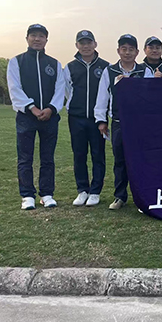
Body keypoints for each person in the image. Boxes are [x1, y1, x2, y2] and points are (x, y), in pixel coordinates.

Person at [6, 24, 65, 210]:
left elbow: (60, 89)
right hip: (26, 117)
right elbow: (14, 88)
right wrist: (32, 108)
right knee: (25, 158)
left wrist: (50, 109)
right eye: (33, 35)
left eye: (41, 36)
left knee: (47, 158)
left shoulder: (54, 64)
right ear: (27, 38)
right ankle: (27, 195)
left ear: (46, 40)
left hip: (49, 117)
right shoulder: (16, 62)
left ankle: (46, 194)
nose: (37, 39)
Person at [94, 34, 153, 210]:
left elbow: (150, 95)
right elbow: (102, 96)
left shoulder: (144, 71)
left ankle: (142, 197)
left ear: (137, 52)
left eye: (131, 49)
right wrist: (101, 120)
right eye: (124, 49)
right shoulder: (110, 71)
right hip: (119, 122)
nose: (127, 52)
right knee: (120, 160)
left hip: (139, 123)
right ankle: (120, 196)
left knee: (140, 160)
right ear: (118, 51)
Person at [63, 30, 109, 207]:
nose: (86, 46)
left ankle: (95, 191)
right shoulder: (70, 67)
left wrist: (102, 116)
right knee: (79, 154)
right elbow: (67, 90)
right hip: (76, 118)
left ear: (95, 44)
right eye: (82, 43)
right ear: (77, 45)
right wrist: (75, 106)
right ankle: (82, 190)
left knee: (98, 154)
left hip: (97, 119)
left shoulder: (105, 66)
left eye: (89, 42)